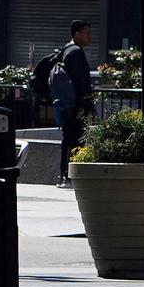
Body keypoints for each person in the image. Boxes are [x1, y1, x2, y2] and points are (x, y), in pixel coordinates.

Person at [54, 20, 96, 185]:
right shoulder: (75, 52)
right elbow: (81, 83)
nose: (90, 37)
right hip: (76, 105)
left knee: (69, 138)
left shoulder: (66, 50)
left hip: (68, 104)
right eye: (87, 33)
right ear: (77, 34)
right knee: (75, 138)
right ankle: (69, 174)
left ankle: (65, 174)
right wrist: (88, 103)